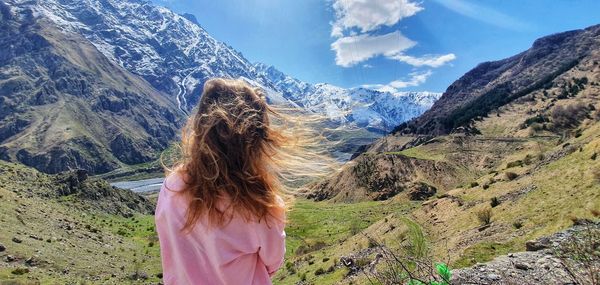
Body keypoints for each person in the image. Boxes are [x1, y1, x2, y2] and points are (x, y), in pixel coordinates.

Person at [155, 78, 333, 285]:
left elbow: (169, 242)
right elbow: (273, 264)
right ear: (256, 140)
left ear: (200, 128)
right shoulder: (261, 205)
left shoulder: (172, 186)